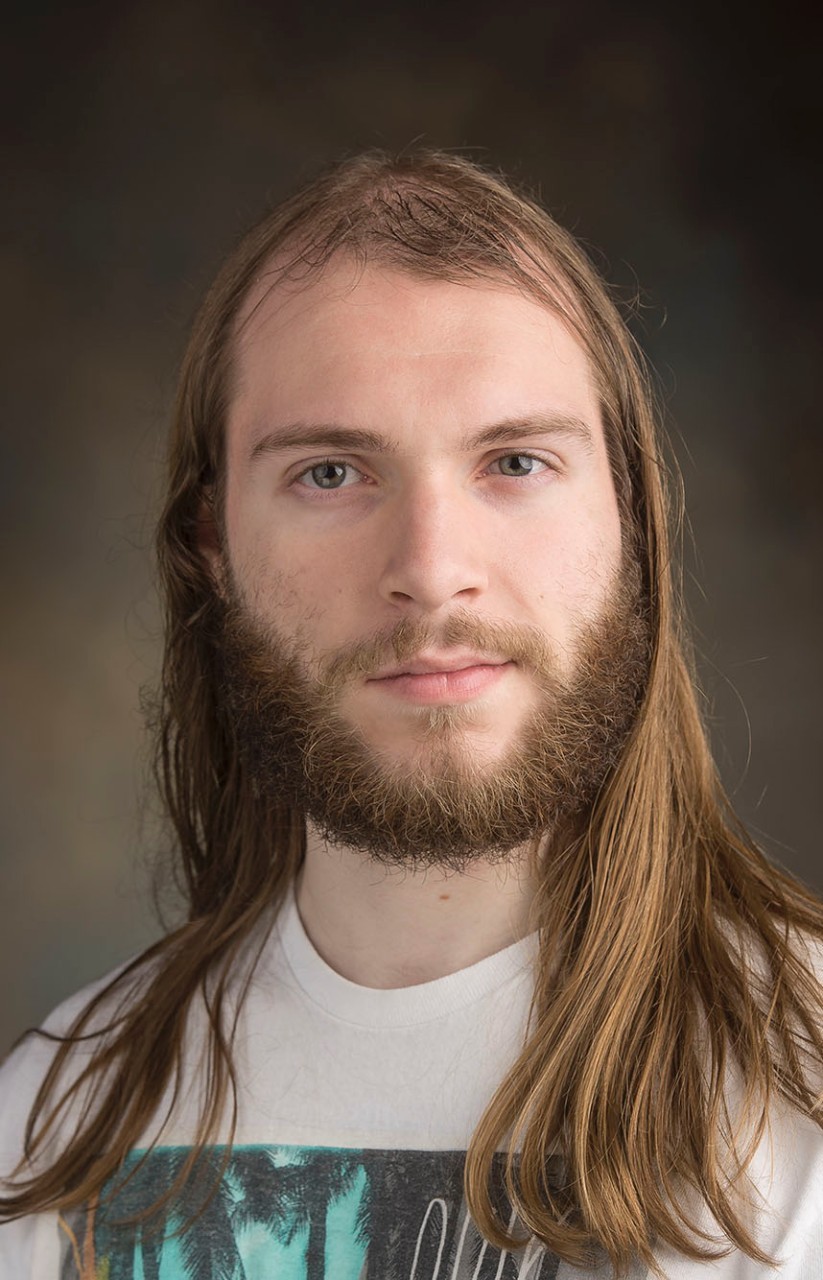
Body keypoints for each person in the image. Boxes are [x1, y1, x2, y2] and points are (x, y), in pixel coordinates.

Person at [1, 149, 821, 1280]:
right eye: (332, 473)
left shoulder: (803, 1081)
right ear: (211, 545)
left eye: (515, 461)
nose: (432, 573)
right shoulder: (52, 1121)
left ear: (629, 518)